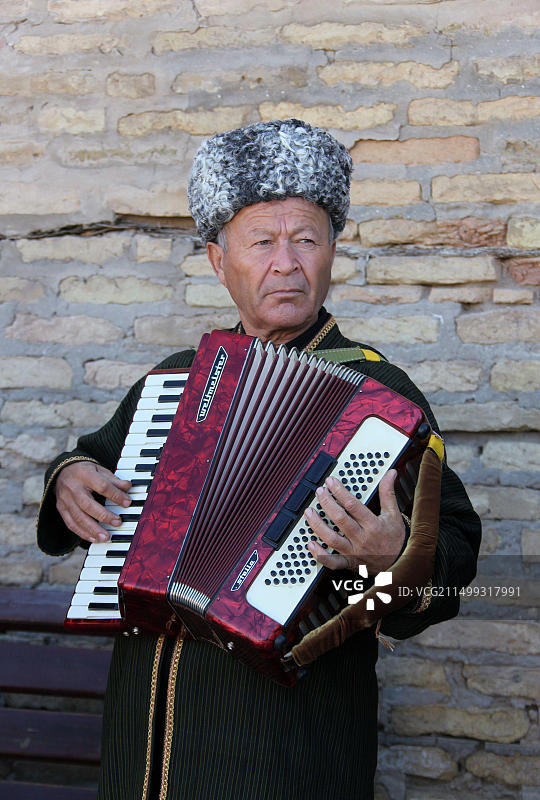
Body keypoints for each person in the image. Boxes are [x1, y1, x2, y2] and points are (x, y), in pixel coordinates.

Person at [38, 119, 481, 800]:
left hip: (284, 748)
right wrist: (68, 477)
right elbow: (94, 463)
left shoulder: (382, 396)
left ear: (332, 253)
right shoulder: (175, 381)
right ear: (220, 262)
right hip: (144, 735)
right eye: (262, 242)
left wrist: (393, 558)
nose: (286, 262)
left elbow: (453, 551)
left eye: (306, 239)